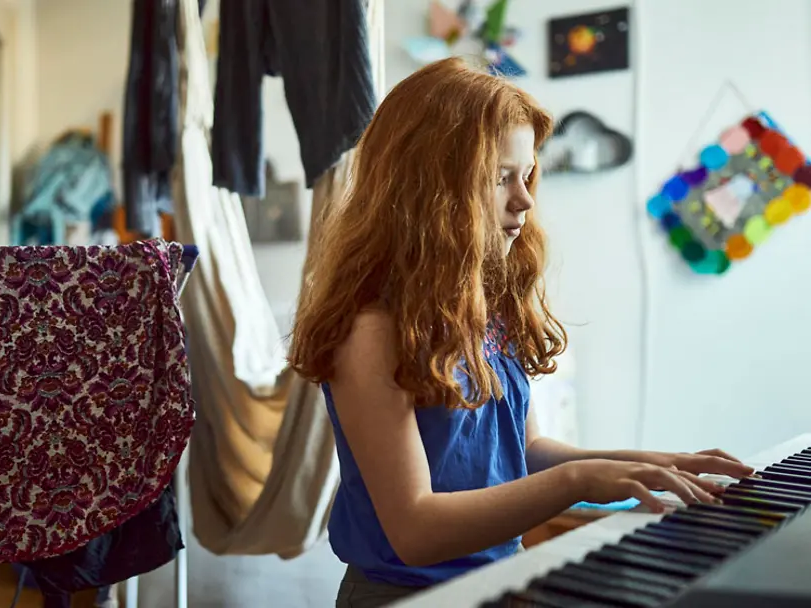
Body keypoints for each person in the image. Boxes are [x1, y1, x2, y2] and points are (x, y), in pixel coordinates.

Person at [287, 57, 755, 608]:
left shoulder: (490, 305)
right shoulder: (371, 331)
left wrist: (650, 465)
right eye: (499, 177)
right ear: (429, 187)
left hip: (497, 582)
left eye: (526, 174)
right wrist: (577, 482)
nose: (525, 199)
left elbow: (525, 449)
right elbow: (414, 530)